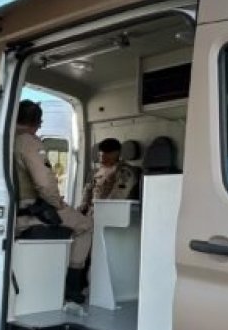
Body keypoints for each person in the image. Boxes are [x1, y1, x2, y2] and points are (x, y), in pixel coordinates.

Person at [14, 99, 93, 308]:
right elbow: (44, 183)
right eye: (40, 123)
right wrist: (57, 204)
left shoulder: (2, 139)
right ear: (36, 123)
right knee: (85, 226)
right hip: (28, 213)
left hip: (10, 213)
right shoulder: (28, 142)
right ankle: (73, 287)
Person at [78, 138, 139, 214]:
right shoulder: (98, 172)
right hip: (93, 212)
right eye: (100, 155)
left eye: (106, 156)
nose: (102, 159)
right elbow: (88, 189)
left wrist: (95, 212)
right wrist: (84, 206)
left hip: (110, 214)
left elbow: (116, 199)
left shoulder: (125, 173)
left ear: (116, 154)